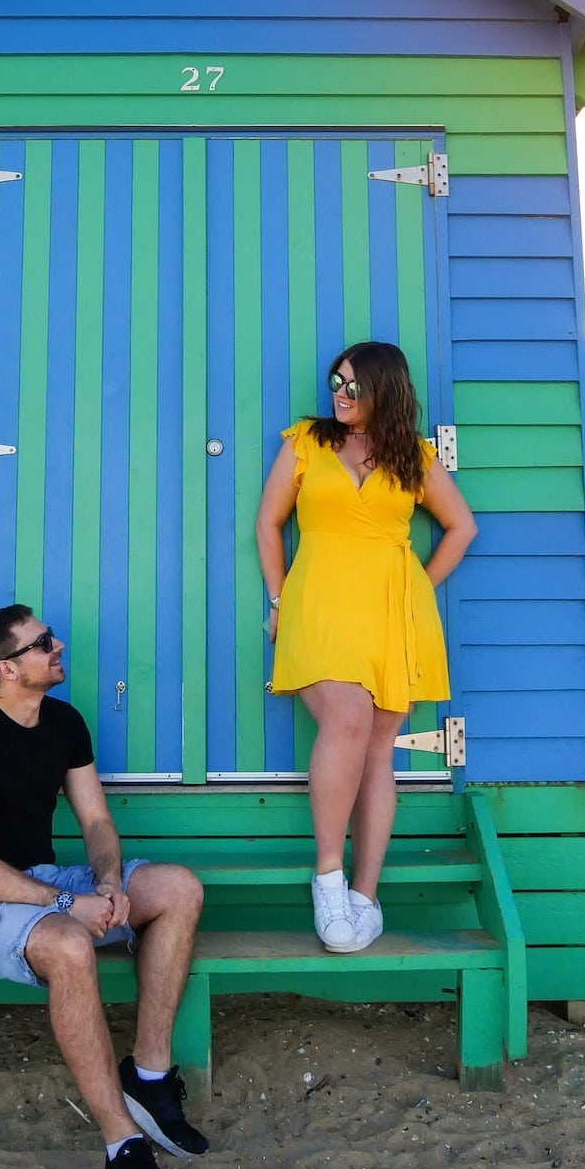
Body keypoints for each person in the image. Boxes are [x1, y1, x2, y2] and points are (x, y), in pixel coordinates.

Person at [0, 604, 208, 1169]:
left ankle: (150, 1076)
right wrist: (65, 906)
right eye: (43, 643)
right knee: (69, 943)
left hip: (46, 880)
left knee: (179, 887)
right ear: (7, 668)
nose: (58, 647)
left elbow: (97, 819)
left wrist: (107, 882)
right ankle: (121, 1148)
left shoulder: (64, 722)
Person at [254, 340, 477, 954]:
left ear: (385, 389)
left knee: (379, 749)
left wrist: (417, 591)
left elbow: (462, 527)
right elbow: (269, 522)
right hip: (319, 604)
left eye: (354, 385)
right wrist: (277, 601)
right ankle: (328, 878)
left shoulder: (413, 455)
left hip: (391, 614)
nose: (341, 393)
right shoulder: (307, 441)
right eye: (336, 381)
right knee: (348, 717)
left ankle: (365, 896)